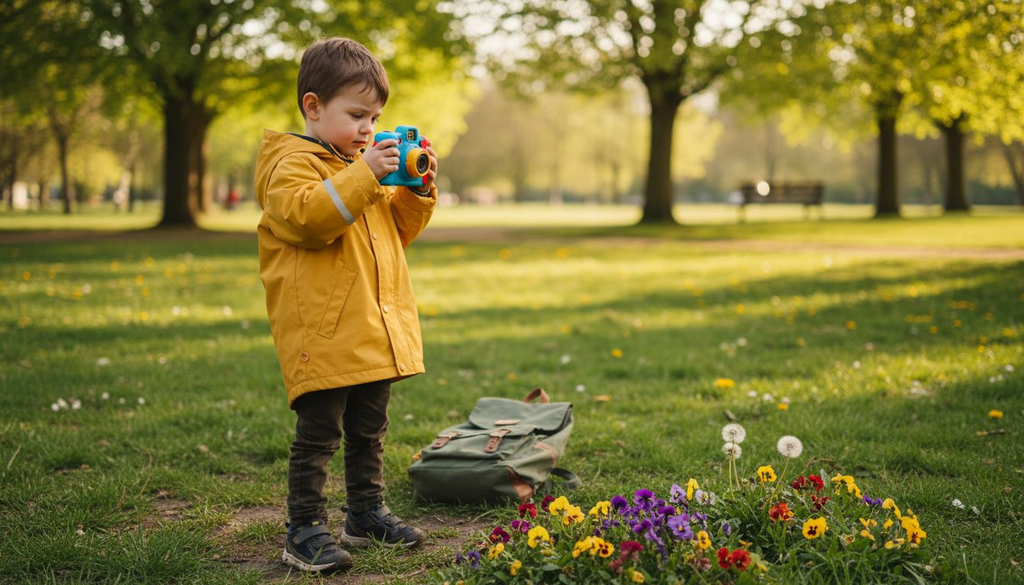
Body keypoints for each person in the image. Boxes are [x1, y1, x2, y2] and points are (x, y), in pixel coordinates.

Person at [253, 37, 438, 573]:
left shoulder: (361, 166)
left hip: (369, 326)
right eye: (356, 115)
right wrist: (367, 174)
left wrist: (416, 189)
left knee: (368, 428)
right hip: (324, 330)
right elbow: (309, 219)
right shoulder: (290, 166)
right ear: (313, 106)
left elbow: (395, 234)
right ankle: (304, 527)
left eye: (375, 117)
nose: (368, 129)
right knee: (318, 435)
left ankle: (365, 511)